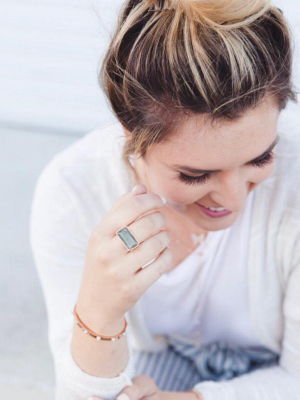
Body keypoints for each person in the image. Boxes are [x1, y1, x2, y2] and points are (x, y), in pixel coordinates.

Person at [29, 1, 300, 400]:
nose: (233, 198)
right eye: (194, 175)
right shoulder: (72, 193)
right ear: (130, 132)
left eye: (260, 157)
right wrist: (99, 312)